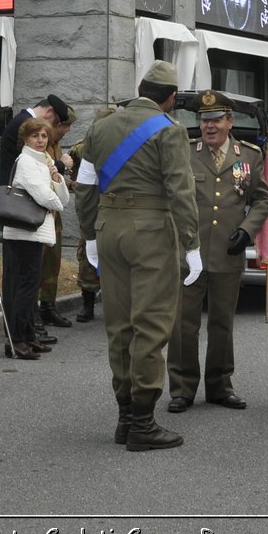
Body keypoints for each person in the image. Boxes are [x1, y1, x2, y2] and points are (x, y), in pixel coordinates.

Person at [74, 60, 200, 451]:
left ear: (140, 88)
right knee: (151, 324)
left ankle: (125, 418)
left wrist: (90, 234)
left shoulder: (100, 127)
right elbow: (181, 191)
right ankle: (144, 422)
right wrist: (192, 244)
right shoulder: (170, 131)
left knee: (119, 324)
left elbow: (84, 186)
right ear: (171, 98)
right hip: (150, 233)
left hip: (109, 230)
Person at [167, 91, 268, 413]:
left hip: (228, 253)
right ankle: (182, 388)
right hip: (190, 254)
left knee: (222, 324)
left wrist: (247, 230)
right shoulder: (185, 153)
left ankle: (219, 386)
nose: (208, 126)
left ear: (230, 122)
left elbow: (262, 199)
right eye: (203, 120)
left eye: (215, 120)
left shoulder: (250, 156)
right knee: (184, 324)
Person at [0, 117, 69, 360]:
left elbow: (62, 196)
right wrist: (57, 203)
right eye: (35, 136)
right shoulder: (26, 161)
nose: (40, 141)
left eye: (43, 136)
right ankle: (16, 339)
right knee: (25, 286)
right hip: (24, 232)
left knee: (31, 284)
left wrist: (57, 178)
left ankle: (29, 336)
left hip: (35, 232)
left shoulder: (43, 161)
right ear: (25, 139)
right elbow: (42, 195)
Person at [68, 107, 115, 322]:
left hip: (116, 209)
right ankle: (87, 304)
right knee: (87, 257)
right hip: (92, 208)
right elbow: (65, 171)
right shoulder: (81, 148)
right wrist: (72, 184)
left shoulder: (124, 147)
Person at [36, 109, 78, 329]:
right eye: (65, 126)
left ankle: (48, 306)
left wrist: (69, 183)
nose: (67, 131)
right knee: (38, 262)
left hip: (55, 213)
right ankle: (33, 312)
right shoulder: (39, 147)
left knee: (53, 261)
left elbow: (56, 178)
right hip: (39, 213)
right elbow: (40, 175)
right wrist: (61, 165)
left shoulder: (56, 146)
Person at [0, 95, 71, 185]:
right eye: (55, 122)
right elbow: (38, 165)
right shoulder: (26, 124)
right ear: (49, 112)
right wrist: (62, 164)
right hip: (18, 190)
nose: (53, 127)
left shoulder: (23, 119)